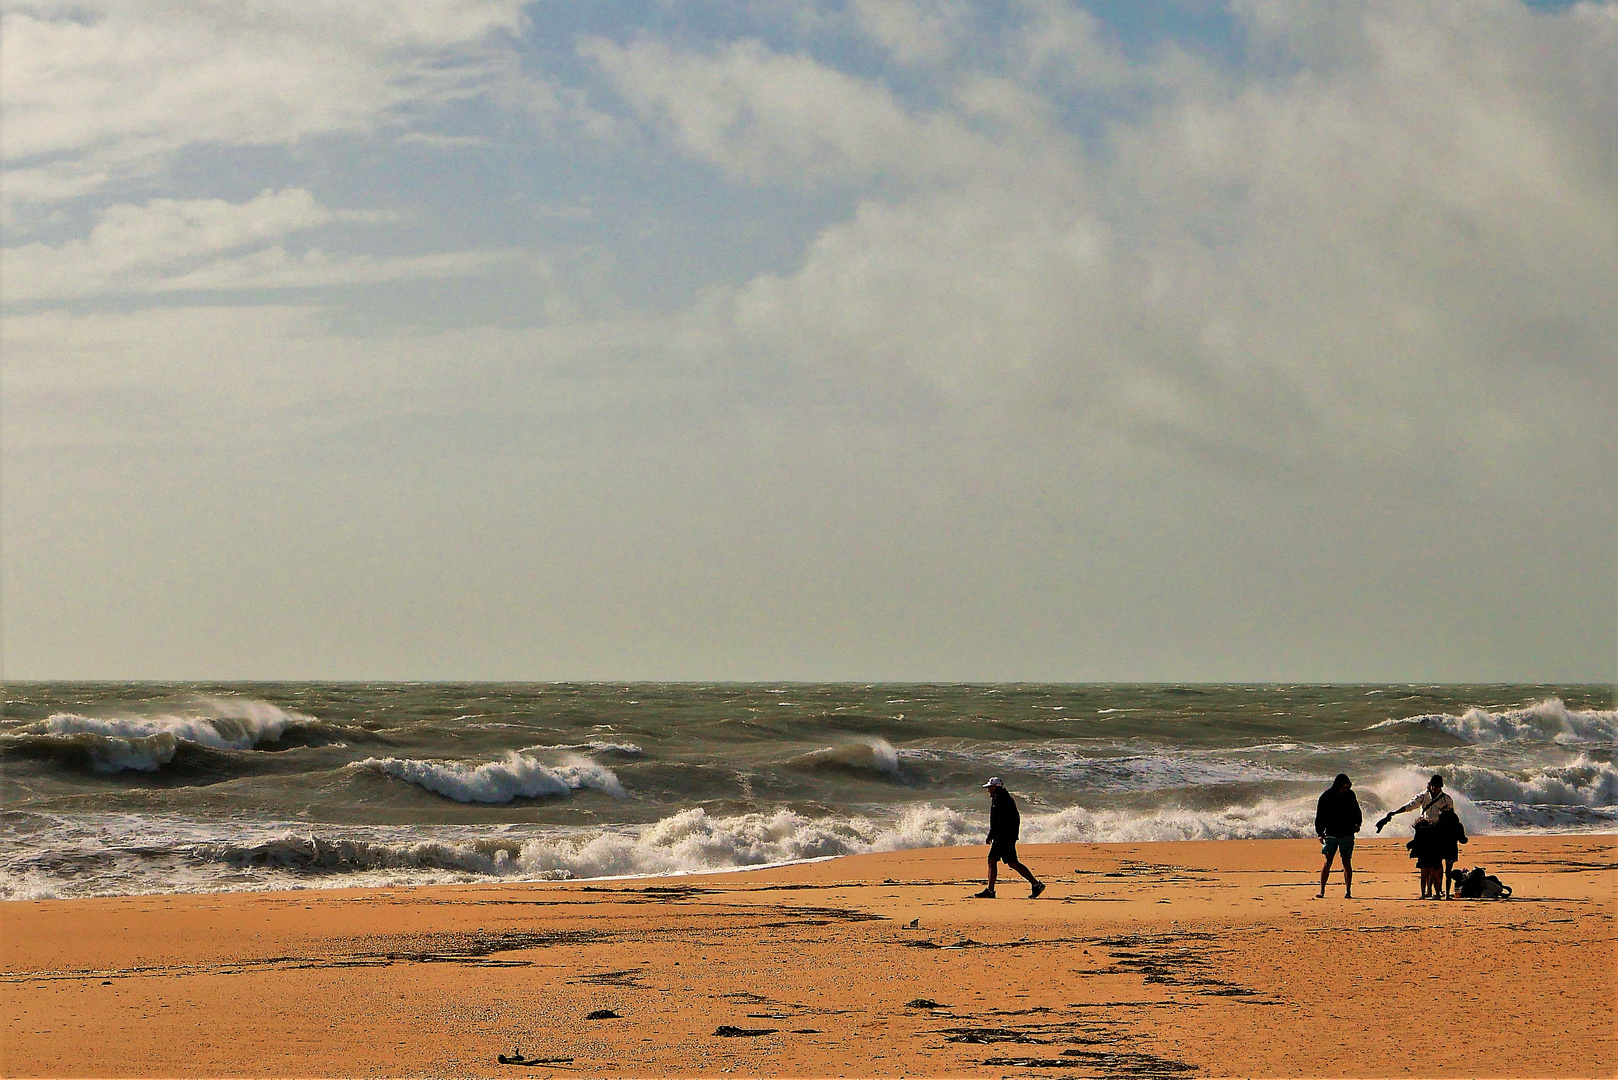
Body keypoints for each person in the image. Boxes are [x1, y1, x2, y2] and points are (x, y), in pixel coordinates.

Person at [1377, 774, 1456, 898]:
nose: (1434, 788)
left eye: (1437, 786)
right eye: (1433, 786)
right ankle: (1429, 890)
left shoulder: (1447, 799)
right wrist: (1395, 812)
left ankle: (1437, 890)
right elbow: (1411, 805)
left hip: (1439, 832)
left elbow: (1450, 817)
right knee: (1426, 864)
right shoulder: (1423, 796)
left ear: (1441, 787)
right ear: (1430, 785)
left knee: (1436, 863)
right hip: (1424, 832)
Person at [973, 777, 1045, 899]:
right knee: (1012, 862)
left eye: (989, 788)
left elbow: (997, 821)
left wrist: (991, 835)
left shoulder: (999, 799)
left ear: (995, 787)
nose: (988, 790)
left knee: (992, 859)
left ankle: (990, 891)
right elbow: (1015, 818)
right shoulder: (1005, 798)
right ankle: (1036, 884)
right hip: (1007, 836)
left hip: (1003, 837)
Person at [1313, 773, 1361, 898]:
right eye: (1343, 788)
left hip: (1347, 834)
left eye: (1347, 788)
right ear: (1337, 786)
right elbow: (1320, 816)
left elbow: (1357, 811)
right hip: (1331, 834)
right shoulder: (1326, 796)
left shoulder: (1350, 795)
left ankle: (1348, 891)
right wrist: (1320, 833)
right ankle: (1322, 890)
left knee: (1346, 862)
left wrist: (1358, 824)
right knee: (1328, 861)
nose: (1345, 790)